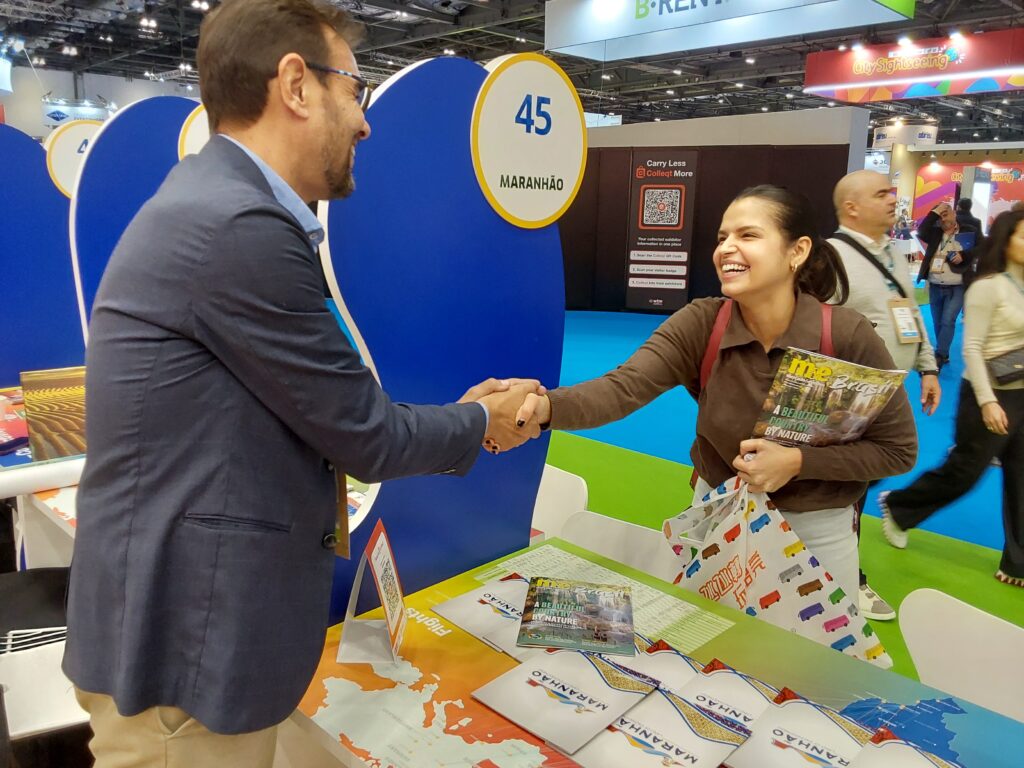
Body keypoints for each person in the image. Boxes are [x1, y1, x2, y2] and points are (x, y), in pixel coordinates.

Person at [62, 2, 537, 765]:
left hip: (176, 629)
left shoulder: (211, 205)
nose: (365, 123)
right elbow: (366, 434)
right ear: (296, 84)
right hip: (184, 655)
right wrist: (482, 418)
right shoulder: (237, 226)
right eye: (356, 90)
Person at [515, 185, 918, 616]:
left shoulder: (846, 335)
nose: (727, 248)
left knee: (809, 672)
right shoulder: (702, 323)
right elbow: (623, 387)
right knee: (707, 648)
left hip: (816, 532)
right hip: (717, 522)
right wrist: (545, 408)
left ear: (796, 250)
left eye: (747, 236)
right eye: (722, 237)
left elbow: (897, 450)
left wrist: (798, 463)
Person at [881, 210, 1024, 589]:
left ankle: (1018, 563)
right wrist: (988, 400)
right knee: (966, 471)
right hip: (987, 394)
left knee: (1022, 478)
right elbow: (973, 348)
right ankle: (900, 507)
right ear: (1007, 241)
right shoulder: (987, 287)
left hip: (1023, 394)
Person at [827, 170, 940, 621]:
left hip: (891, 393)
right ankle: (844, 578)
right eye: (882, 194)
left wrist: (927, 367)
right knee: (844, 485)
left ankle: (832, 565)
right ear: (851, 206)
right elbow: (813, 327)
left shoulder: (893, 251)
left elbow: (908, 311)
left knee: (858, 482)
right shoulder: (830, 257)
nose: (893, 200)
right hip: (847, 397)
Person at [917, 202, 967, 369]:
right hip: (935, 284)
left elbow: (981, 248)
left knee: (948, 320)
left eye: (947, 213)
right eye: (941, 215)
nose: (944, 217)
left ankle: (941, 353)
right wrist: (935, 212)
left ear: (955, 213)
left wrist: (964, 255)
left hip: (957, 285)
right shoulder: (934, 233)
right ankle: (943, 352)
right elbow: (921, 230)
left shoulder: (967, 231)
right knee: (938, 322)